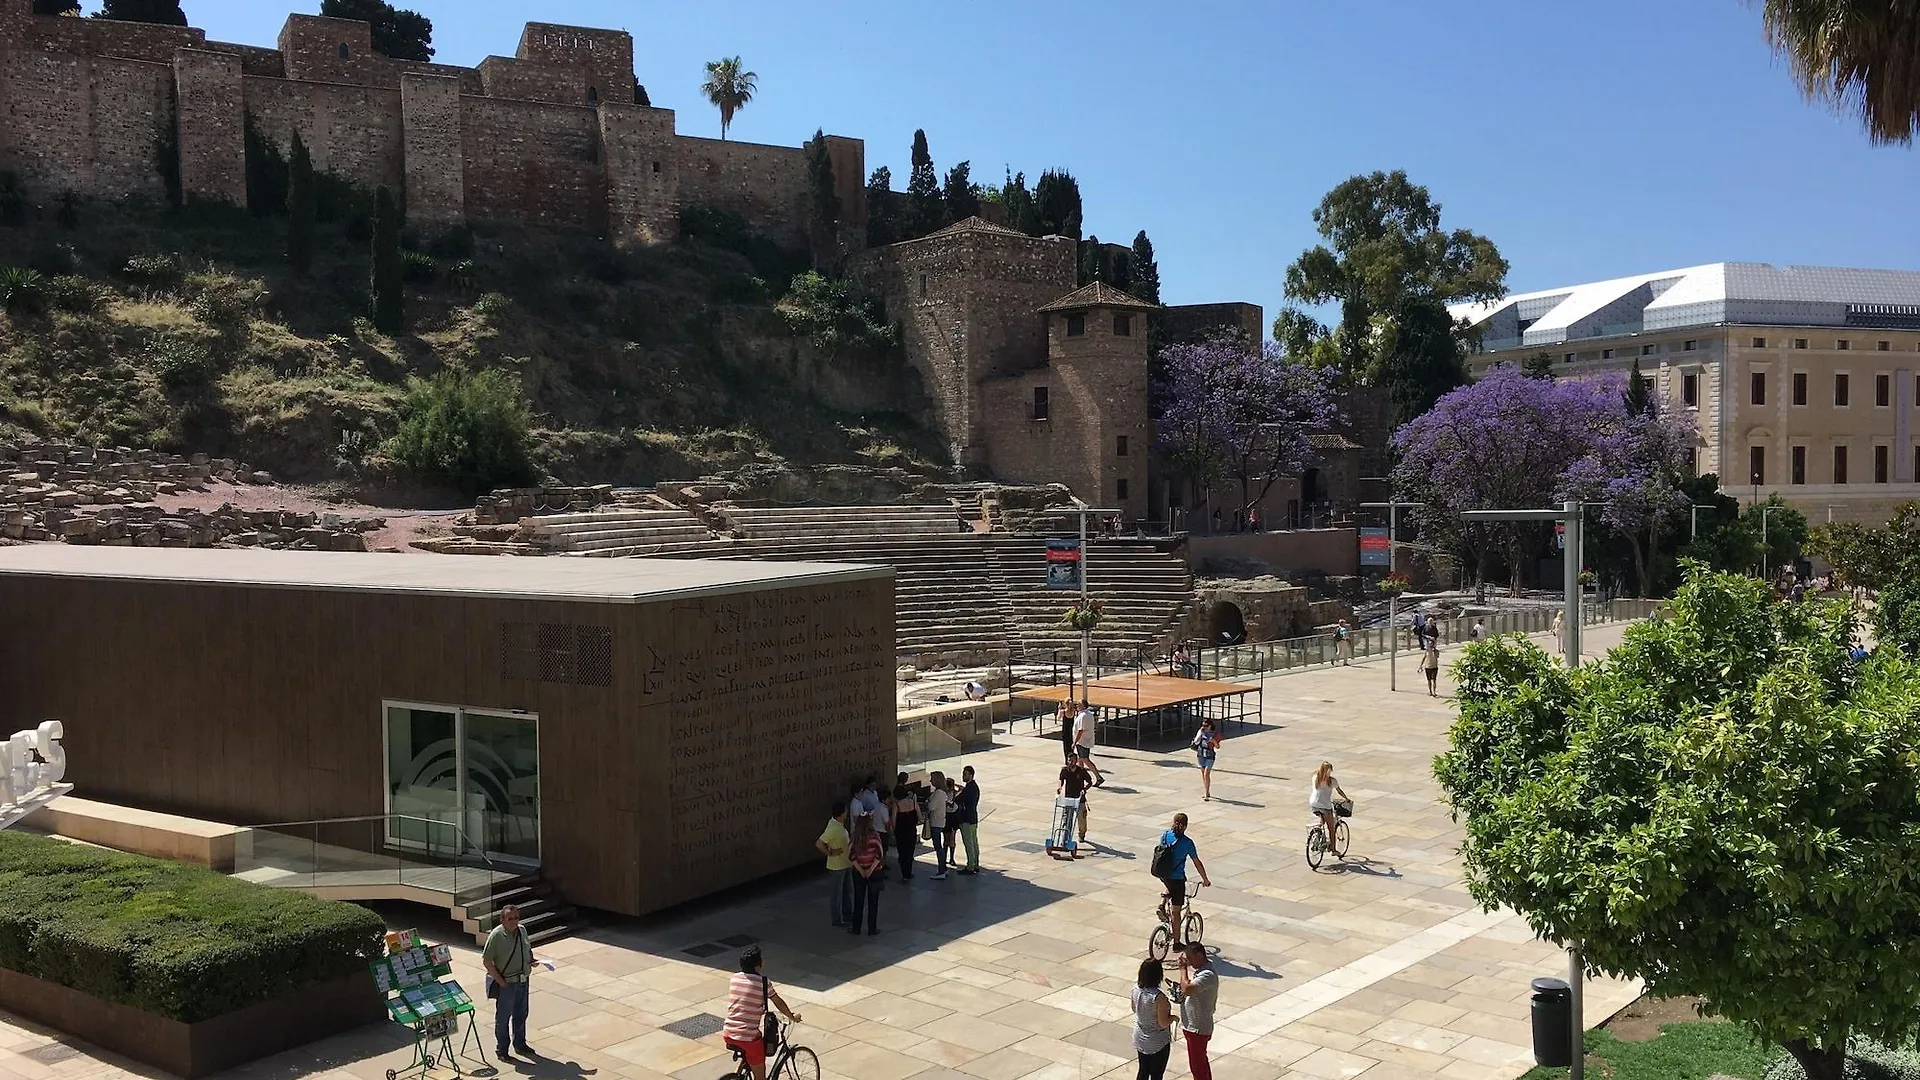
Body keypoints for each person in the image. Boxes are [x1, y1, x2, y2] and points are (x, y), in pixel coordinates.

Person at [723, 946, 801, 1080]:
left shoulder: (734, 978)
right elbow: (778, 1002)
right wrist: (791, 1016)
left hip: (728, 1032)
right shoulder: (763, 983)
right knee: (760, 1075)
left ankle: (739, 1075)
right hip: (747, 1037)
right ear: (758, 965)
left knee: (751, 1049)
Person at [483, 904, 535, 1059]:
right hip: (507, 983)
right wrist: (500, 980)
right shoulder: (496, 935)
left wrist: (532, 960)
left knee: (521, 1014)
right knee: (503, 1018)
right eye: (510, 918)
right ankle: (502, 1050)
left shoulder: (522, 931)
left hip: (523, 980)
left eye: (516, 918)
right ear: (502, 920)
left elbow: (527, 950)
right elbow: (487, 961)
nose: (514, 921)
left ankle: (520, 1044)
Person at [1158, 813, 1210, 938]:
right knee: (1176, 912)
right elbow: (1197, 862)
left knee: (1168, 884)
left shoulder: (1165, 835)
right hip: (1177, 878)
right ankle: (1176, 942)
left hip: (1163, 873)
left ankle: (1162, 903)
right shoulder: (1187, 843)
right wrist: (1205, 879)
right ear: (1186, 826)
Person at [1175, 941, 1218, 1080]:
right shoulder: (1201, 972)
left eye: (1190, 958)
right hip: (1193, 1027)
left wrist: (1182, 969)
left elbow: (1187, 989)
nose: (1189, 962)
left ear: (1200, 955)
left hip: (1198, 1028)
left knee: (1197, 1067)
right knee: (1201, 1064)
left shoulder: (1207, 975)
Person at [1131, 956, 1174, 1080]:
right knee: (1156, 1075)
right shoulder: (1159, 998)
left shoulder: (1135, 989)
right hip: (1157, 1041)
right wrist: (1173, 1018)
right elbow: (1163, 1023)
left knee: (1143, 1071)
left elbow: (1134, 1009)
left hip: (1140, 1037)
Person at [815, 800, 854, 927]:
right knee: (837, 893)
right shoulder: (833, 828)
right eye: (845, 811)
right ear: (841, 814)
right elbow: (819, 843)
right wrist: (830, 852)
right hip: (837, 866)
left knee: (847, 891)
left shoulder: (837, 824)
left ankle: (848, 915)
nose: (847, 813)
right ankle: (837, 919)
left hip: (846, 863)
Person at [847, 812, 884, 935]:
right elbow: (879, 854)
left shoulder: (854, 837)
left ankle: (856, 928)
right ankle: (872, 929)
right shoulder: (875, 836)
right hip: (874, 873)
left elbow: (851, 855)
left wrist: (861, 870)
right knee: (873, 902)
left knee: (858, 901)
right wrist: (870, 870)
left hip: (858, 873)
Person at [1309, 761, 1349, 847]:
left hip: (1314, 804)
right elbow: (1339, 791)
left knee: (1322, 818)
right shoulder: (1332, 781)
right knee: (1331, 829)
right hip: (1324, 805)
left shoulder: (1315, 778)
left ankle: (1318, 833)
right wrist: (1346, 799)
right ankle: (1334, 849)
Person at [1056, 757, 1090, 854]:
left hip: (1080, 799)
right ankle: (1065, 839)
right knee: (1067, 819)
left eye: (1074, 760)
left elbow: (1089, 782)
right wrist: (1059, 787)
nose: (1072, 762)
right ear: (1068, 761)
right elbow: (1061, 780)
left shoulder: (1081, 771)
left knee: (1081, 819)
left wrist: (1084, 789)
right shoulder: (1064, 770)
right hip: (1069, 799)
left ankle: (1082, 834)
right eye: (1070, 760)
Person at [892, 774, 919, 882]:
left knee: (902, 852)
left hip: (900, 831)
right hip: (911, 830)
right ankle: (909, 872)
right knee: (910, 852)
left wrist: (893, 831)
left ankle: (904, 874)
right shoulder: (913, 803)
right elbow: (920, 816)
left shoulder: (896, 805)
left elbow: (893, 820)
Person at [955, 765, 982, 874]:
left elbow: (958, 800)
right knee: (974, 842)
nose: (963, 776)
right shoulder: (974, 787)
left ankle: (970, 866)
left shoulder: (968, 789)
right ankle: (975, 864)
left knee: (969, 844)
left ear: (970, 775)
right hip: (973, 818)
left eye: (965, 774)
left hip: (966, 819)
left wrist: (959, 792)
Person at [1072, 702, 1106, 786]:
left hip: (1083, 741)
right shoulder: (1086, 714)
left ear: (1083, 706)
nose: (1077, 706)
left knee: (1085, 759)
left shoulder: (1084, 716)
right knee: (1080, 760)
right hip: (1082, 741)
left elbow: (1081, 730)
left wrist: (1075, 742)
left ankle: (1098, 777)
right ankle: (1080, 778)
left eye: (1079, 704)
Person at [926, 770, 952, 879]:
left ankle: (941, 870)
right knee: (939, 846)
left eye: (932, 778)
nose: (931, 780)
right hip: (940, 821)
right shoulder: (941, 792)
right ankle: (943, 869)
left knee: (938, 847)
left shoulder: (938, 793)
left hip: (936, 822)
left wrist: (928, 803)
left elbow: (931, 807)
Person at [1191, 718, 1222, 801]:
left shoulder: (1215, 734)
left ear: (1210, 726)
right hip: (1201, 754)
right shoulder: (1201, 732)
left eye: (1206, 726)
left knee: (1206, 773)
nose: (1204, 727)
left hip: (1210, 755)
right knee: (1203, 773)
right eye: (1203, 725)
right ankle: (1206, 791)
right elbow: (1196, 742)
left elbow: (1218, 747)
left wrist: (1213, 741)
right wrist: (1200, 733)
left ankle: (1207, 792)